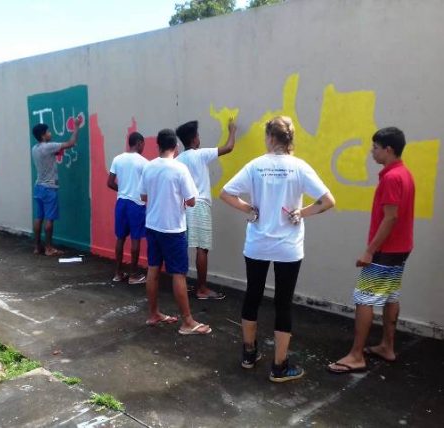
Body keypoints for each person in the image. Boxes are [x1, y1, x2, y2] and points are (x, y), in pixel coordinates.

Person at [220, 116, 335, 382]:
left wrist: (249, 209)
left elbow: (225, 193)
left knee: (252, 295)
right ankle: (279, 367)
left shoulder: (255, 166)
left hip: (257, 244)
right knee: (283, 303)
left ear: (270, 137)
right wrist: (301, 212)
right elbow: (328, 200)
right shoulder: (299, 167)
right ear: (289, 139)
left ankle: (249, 354)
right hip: (288, 247)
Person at [328, 127, 415, 374]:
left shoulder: (391, 178)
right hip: (401, 248)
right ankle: (387, 346)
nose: (371, 152)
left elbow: (390, 218)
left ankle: (356, 355)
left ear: (388, 150)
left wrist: (369, 251)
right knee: (391, 295)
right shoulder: (405, 173)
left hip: (386, 251)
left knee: (363, 298)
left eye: (375, 147)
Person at [139, 128, 211, 335]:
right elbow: (191, 201)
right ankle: (187, 322)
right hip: (173, 229)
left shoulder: (149, 167)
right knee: (178, 273)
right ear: (176, 147)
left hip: (152, 226)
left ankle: (153, 314)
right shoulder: (179, 169)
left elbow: (143, 197)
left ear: (158, 145)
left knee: (153, 268)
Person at [175, 119, 237, 300]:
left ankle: (181, 283)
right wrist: (232, 131)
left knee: (183, 246)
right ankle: (201, 288)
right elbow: (229, 147)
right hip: (200, 205)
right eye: (198, 135)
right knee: (202, 248)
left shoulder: (178, 160)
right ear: (194, 139)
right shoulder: (201, 154)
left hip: (185, 205)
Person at [31, 119, 80, 256]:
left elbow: (51, 156)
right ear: (43, 135)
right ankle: (48, 248)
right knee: (49, 219)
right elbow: (70, 143)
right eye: (48, 131)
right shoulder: (48, 147)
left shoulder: (34, 149)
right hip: (49, 188)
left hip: (39, 187)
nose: (50, 133)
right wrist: (76, 127)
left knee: (39, 217)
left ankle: (36, 247)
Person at [107, 132, 148, 284]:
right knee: (135, 239)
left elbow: (110, 183)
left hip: (121, 202)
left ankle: (118, 273)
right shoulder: (144, 162)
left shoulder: (117, 159)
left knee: (120, 238)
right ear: (138, 143)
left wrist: (123, 188)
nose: (143, 147)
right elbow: (148, 186)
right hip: (136, 204)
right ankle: (133, 275)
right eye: (143, 144)